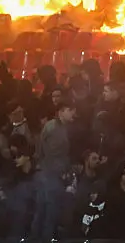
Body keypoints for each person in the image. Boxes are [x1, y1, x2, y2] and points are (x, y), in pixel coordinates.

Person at [34, 100, 76, 240]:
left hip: (49, 172)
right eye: (70, 110)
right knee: (49, 212)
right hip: (51, 174)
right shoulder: (54, 128)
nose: (73, 113)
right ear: (61, 111)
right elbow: (51, 152)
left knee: (43, 211)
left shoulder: (59, 127)